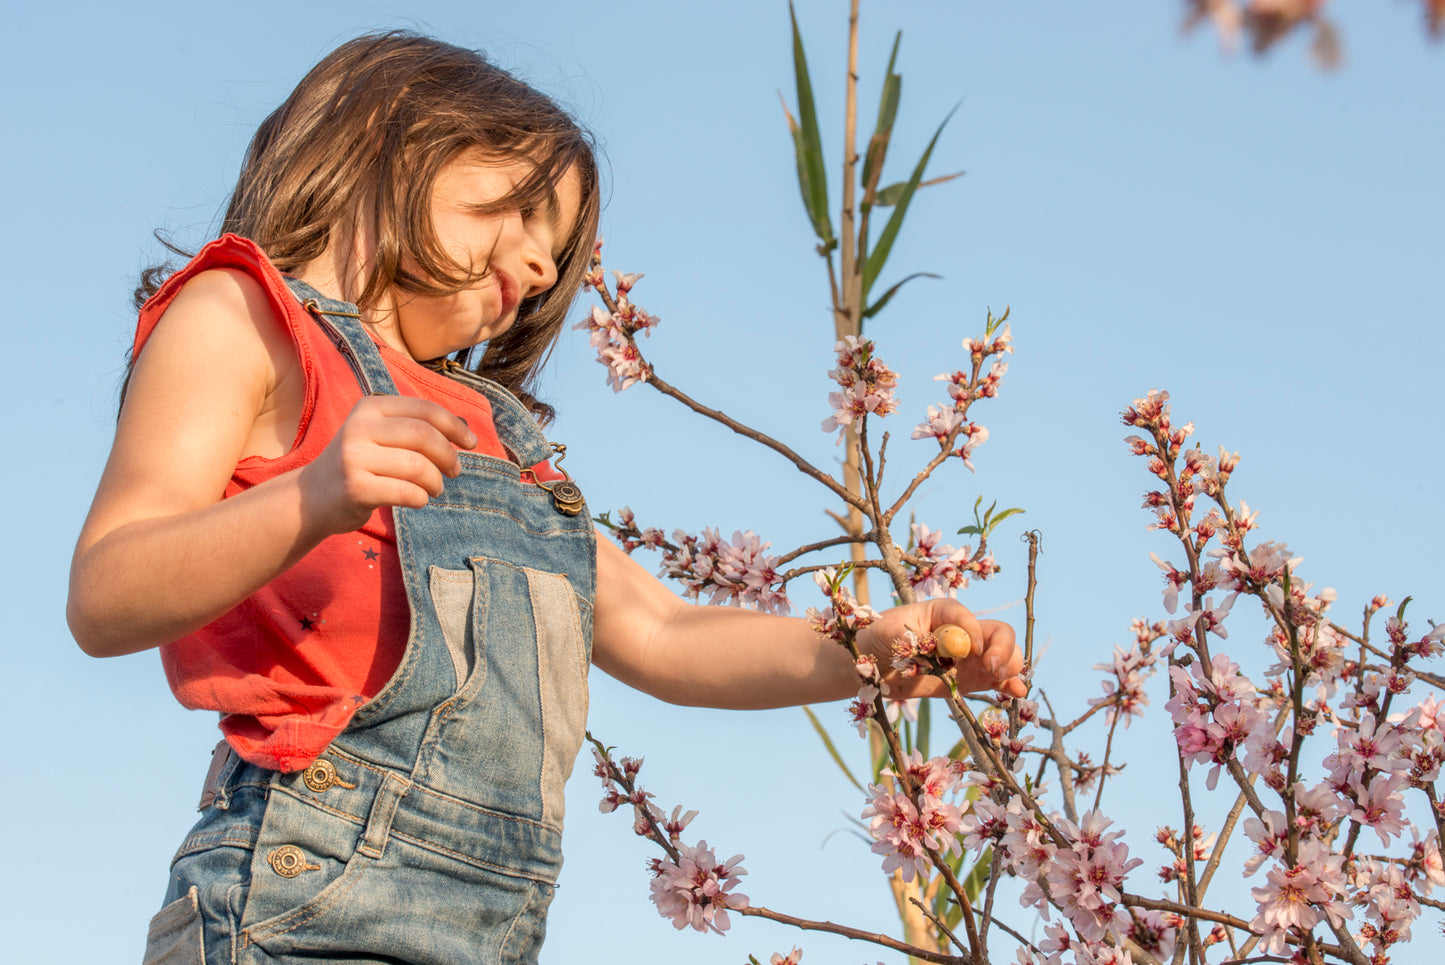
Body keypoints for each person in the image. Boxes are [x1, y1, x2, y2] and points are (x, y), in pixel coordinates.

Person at [66, 32, 1027, 965]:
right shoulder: (242, 315)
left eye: (553, 253)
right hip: (303, 888)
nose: (534, 269)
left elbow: (664, 634)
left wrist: (871, 650)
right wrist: (314, 495)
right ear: (389, 133)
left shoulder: (490, 427)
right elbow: (105, 593)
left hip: (494, 918)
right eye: (520, 212)